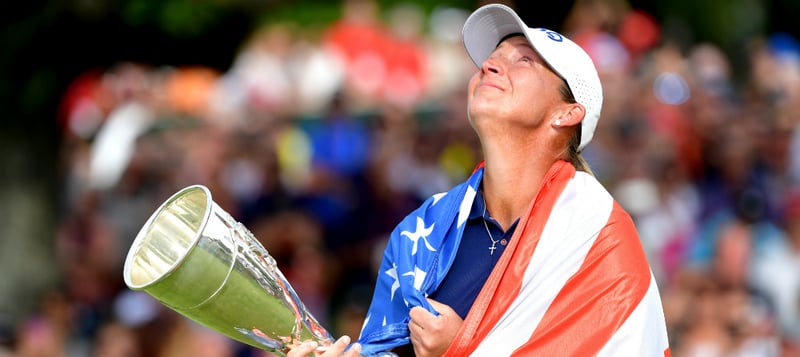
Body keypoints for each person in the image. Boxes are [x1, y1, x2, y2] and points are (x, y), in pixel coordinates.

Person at [289, 3, 670, 356]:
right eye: (491, 58)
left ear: (567, 113)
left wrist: (464, 347)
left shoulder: (597, 233)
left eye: (523, 60)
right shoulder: (421, 229)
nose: (489, 65)